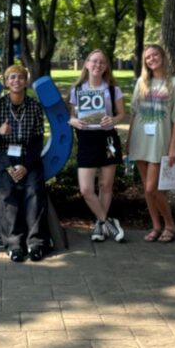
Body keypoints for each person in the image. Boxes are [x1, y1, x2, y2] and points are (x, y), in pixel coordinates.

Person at [125, 44, 175, 243]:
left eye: (154, 55)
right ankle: (156, 226)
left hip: (160, 140)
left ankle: (170, 225)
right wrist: (128, 140)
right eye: (147, 57)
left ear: (162, 56)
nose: (151, 59)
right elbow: (134, 113)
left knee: (152, 188)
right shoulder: (141, 83)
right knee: (147, 189)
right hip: (140, 139)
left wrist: (173, 146)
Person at [0, 63, 48, 262]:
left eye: (20, 77)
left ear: (26, 82)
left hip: (28, 157)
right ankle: (14, 245)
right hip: (5, 157)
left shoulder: (34, 107)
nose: (16, 81)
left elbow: (38, 141)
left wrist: (26, 166)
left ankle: (35, 244)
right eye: (12, 77)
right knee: (6, 192)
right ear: (6, 83)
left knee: (34, 190)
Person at [68, 49, 126, 242]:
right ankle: (108, 222)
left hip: (107, 139)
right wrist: (74, 122)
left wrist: (113, 120)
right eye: (94, 61)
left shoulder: (113, 89)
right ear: (86, 64)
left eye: (102, 62)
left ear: (106, 66)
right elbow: (71, 116)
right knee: (86, 189)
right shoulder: (77, 89)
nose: (97, 65)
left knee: (105, 185)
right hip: (87, 140)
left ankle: (99, 227)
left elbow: (121, 114)